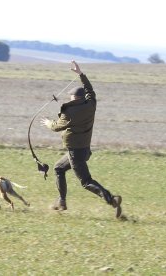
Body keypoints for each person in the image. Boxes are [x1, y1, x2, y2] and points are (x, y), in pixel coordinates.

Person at [40, 60, 122, 218]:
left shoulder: (70, 112)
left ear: (75, 98)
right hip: (84, 150)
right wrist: (80, 74)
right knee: (58, 168)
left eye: (71, 98)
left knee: (86, 181)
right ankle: (61, 202)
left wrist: (48, 123)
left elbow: (57, 126)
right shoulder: (91, 104)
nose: (69, 100)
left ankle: (111, 200)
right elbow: (90, 90)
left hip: (75, 152)